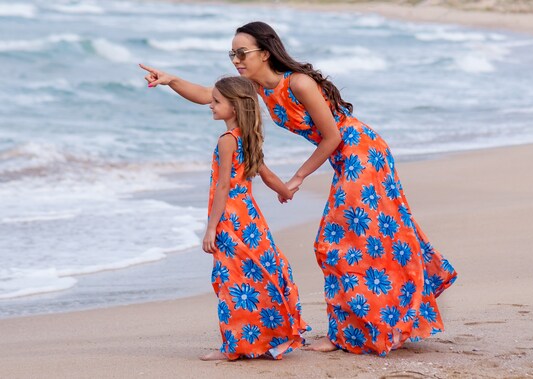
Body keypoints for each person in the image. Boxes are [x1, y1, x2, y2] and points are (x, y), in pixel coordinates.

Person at [140, 21, 457, 357]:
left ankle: (363, 328)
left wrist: (298, 178)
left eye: (242, 52)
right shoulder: (256, 87)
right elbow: (210, 95)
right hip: (344, 159)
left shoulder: (300, 83)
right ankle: (361, 328)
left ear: (264, 52)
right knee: (360, 240)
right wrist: (170, 80)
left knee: (337, 242)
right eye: (232, 53)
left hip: (362, 153)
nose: (236, 59)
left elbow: (333, 136)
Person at [199, 76, 308, 361]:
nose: (210, 104)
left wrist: (211, 228)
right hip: (250, 218)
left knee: (232, 280)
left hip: (230, 220)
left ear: (234, 107)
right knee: (257, 273)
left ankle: (235, 346)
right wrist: (285, 191)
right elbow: (266, 174)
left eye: (217, 101)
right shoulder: (247, 138)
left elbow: (223, 186)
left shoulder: (226, 141)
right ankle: (265, 337)